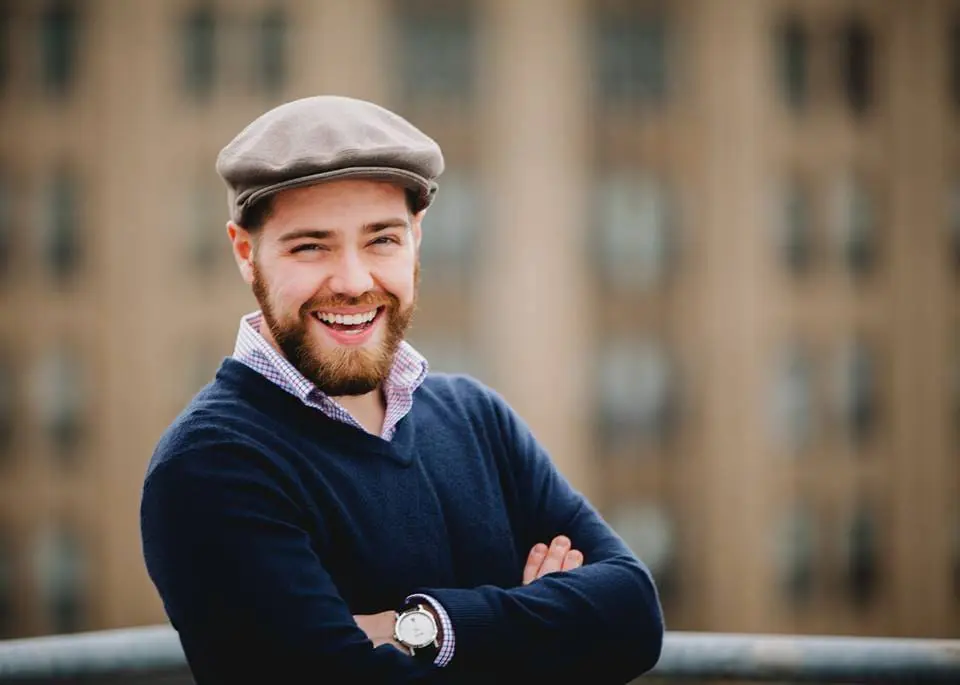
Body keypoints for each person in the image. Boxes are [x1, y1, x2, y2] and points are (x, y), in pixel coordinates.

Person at [139, 95, 664, 684]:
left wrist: (422, 628)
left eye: (381, 239)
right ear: (246, 252)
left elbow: (634, 613)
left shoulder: (476, 418)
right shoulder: (212, 466)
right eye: (310, 246)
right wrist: (547, 632)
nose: (353, 281)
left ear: (416, 237)